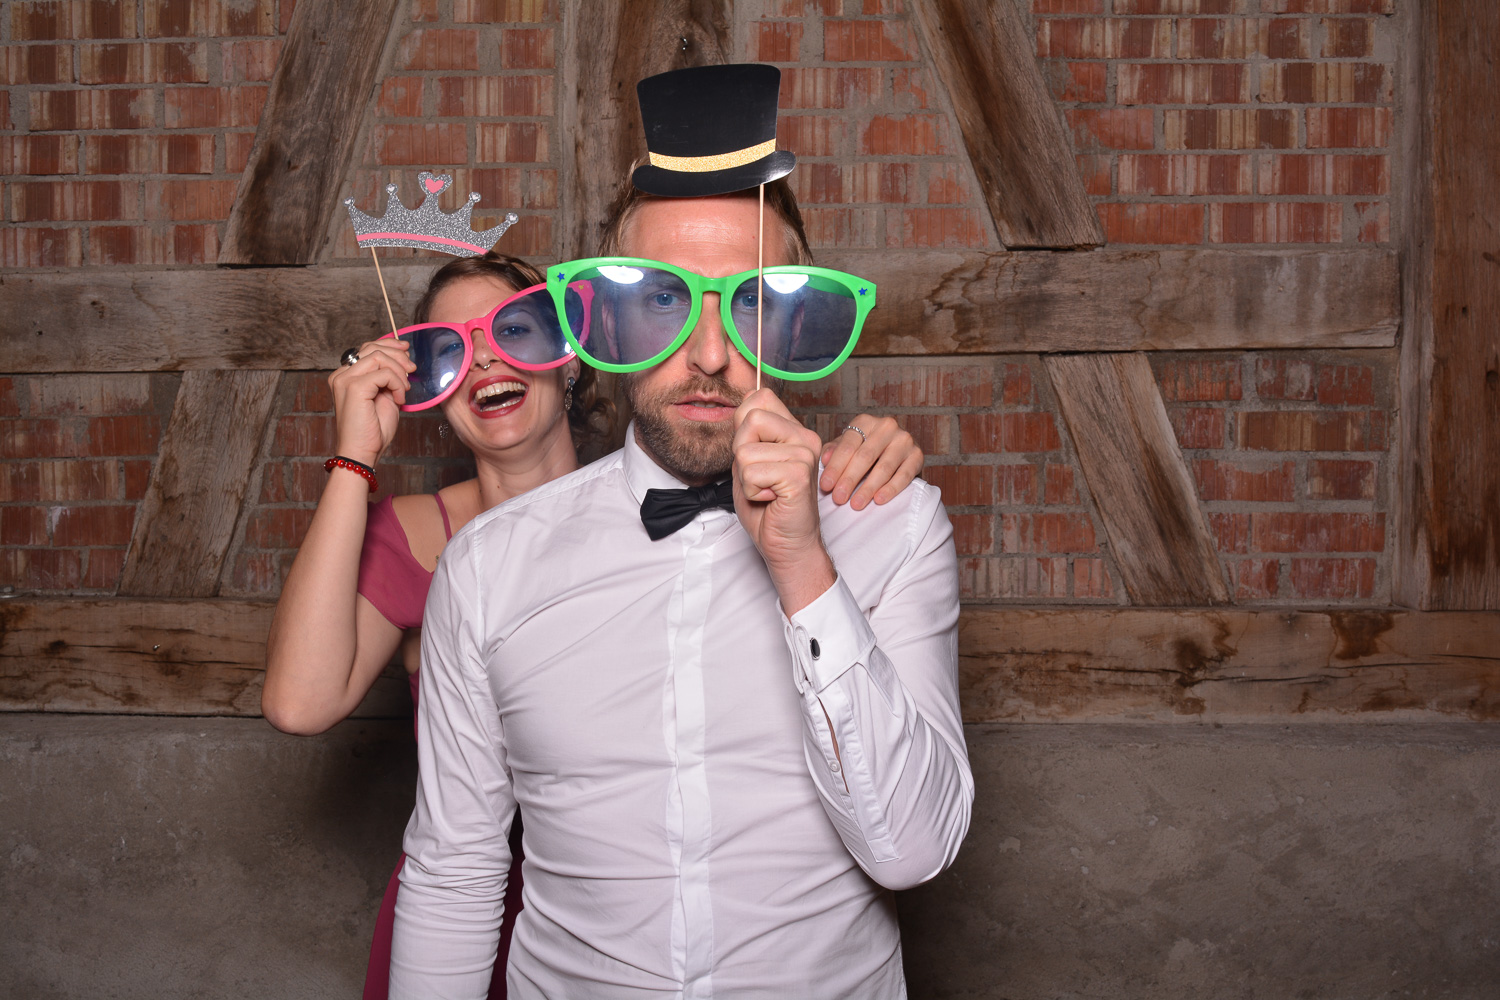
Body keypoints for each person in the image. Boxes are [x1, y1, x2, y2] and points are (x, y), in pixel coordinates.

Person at [260, 250, 927, 999]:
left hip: (663, 923)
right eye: (449, 351)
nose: (485, 361)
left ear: (573, 354)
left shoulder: (688, 491)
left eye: (514, 329)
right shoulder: (433, 547)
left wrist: (864, 458)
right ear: (429, 388)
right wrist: (354, 455)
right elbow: (300, 703)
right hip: (474, 918)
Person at [389, 174, 972, 995]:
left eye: (752, 301)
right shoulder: (487, 566)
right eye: (664, 300)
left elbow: (914, 850)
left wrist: (805, 570)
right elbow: (454, 870)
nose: (709, 355)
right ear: (607, 321)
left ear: (793, 325)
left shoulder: (894, 526)